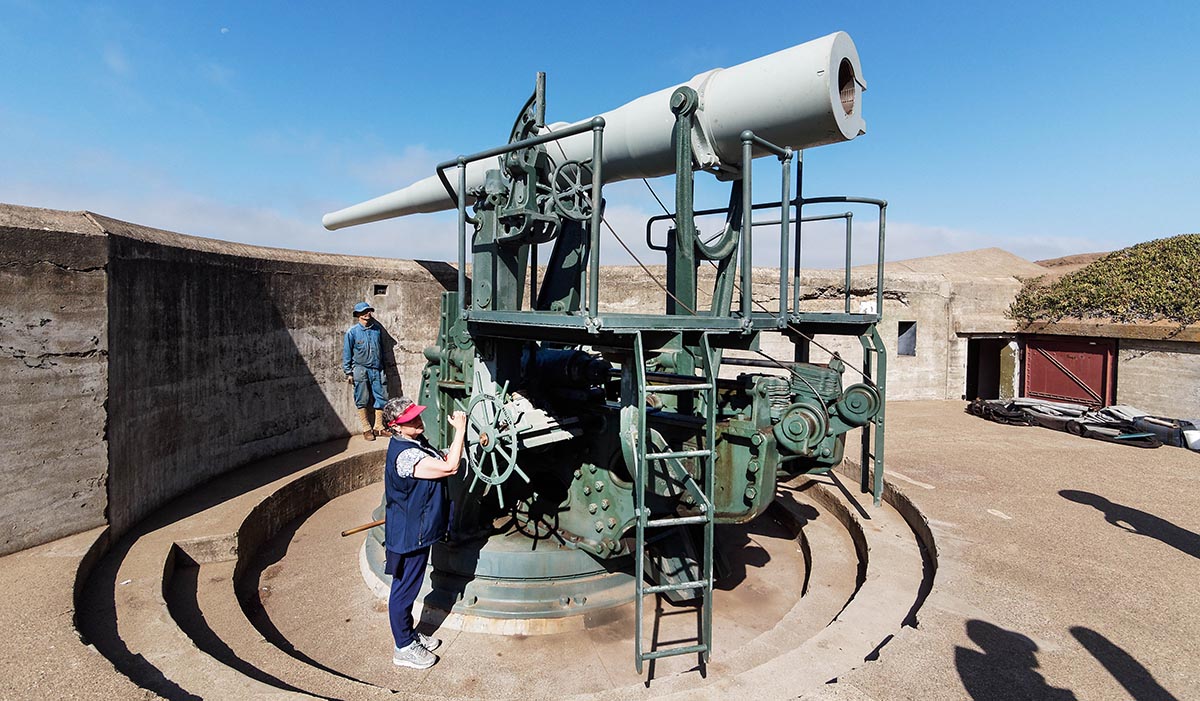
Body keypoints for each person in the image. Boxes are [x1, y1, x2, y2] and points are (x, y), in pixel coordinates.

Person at [379, 396, 467, 669]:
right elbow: (449, 467)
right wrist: (460, 430)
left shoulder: (414, 442)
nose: (418, 421)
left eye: (416, 415)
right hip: (408, 535)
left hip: (417, 528)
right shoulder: (405, 455)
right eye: (409, 420)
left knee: (409, 586)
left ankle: (408, 635)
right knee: (404, 590)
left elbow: (440, 457)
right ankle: (403, 647)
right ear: (396, 427)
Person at [343, 301, 388, 440]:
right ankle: (366, 428)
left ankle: (379, 427)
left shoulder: (376, 330)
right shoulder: (352, 332)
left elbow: (382, 349)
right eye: (363, 312)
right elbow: (347, 353)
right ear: (358, 315)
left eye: (368, 311)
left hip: (377, 369)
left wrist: (383, 367)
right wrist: (348, 372)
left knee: (381, 396)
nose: (367, 314)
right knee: (362, 398)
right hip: (360, 369)